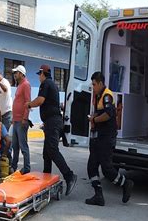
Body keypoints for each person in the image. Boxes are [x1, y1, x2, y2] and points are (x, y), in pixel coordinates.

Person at [26, 64, 77, 196]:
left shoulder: (46, 84)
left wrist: (29, 104)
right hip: (51, 122)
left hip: (53, 123)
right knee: (47, 153)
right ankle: (45, 182)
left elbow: (40, 100)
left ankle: (69, 175)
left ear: (43, 73)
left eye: (39, 74)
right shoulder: (52, 84)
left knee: (52, 150)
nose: (39, 77)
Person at [86, 72, 134, 206]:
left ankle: (126, 184)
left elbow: (108, 114)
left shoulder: (107, 95)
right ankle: (98, 195)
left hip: (107, 137)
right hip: (99, 137)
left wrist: (94, 119)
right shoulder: (99, 95)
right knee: (91, 167)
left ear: (100, 83)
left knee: (107, 168)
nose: (93, 87)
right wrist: (93, 117)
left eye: (94, 84)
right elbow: (100, 112)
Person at [11, 65, 31, 174]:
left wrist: (25, 118)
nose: (15, 75)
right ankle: (13, 166)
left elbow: (28, 102)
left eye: (16, 73)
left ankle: (27, 168)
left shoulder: (26, 85)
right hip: (16, 120)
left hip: (22, 121)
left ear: (22, 74)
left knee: (23, 146)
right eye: (14, 73)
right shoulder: (19, 85)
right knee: (15, 145)